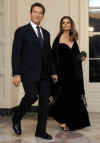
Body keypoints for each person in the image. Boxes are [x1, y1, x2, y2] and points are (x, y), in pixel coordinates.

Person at [12, 2, 57, 140]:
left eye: (40, 13)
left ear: (42, 15)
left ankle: (40, 131)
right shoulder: (21, 31)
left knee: (44, 103)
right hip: (28, 73)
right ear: (31, 13)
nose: (38, 14)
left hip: (44, 74)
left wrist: (53, 72)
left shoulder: (46, 33)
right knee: (31, 96)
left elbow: (48, 56)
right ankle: (16, 117)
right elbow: (16, 53)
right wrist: (16, 73)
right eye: (35, 12)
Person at [49, 16, 90, 131]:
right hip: (62, 73)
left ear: (71, 25)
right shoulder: (58, 39)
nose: (66, 24)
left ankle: (71, 122)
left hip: (74, 74)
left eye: (68, 23)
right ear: (61, 25)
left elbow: (76, 55)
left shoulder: (73, 38)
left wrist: (83, 55)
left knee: (73, 98)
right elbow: (52, 58)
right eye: (63, 23)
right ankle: (62, 121)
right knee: (62, 98)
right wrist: (54, 73)